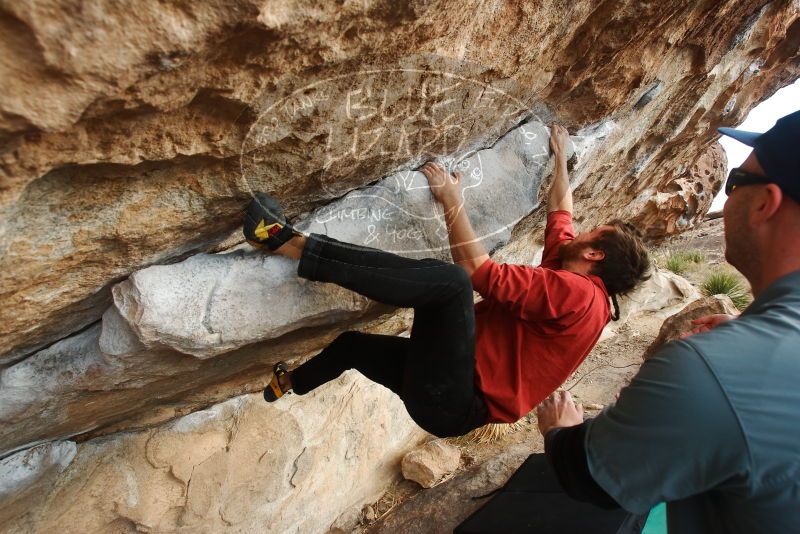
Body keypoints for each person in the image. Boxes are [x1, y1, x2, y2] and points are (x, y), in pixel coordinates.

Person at [245, 124, 650, 438]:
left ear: (594, 254)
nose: (583, 230)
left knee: (453, 283)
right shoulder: (574, 274)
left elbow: (477, 273)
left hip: (456, 399)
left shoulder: (576, 293)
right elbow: (562, 213)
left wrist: (452, 201)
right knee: (352, 347)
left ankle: (285, 241)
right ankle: (289, 384)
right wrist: (560, 158)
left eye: (594, 233)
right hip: (446, 390)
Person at [536, 109, 800, 532]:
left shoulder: (714, 369)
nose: (728, 199)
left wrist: (561, 430)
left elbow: (589, 477)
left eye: (735, 182)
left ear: (765, 203)